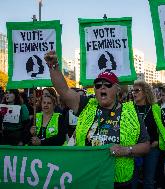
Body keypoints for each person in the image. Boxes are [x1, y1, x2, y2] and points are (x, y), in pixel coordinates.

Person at [44, 50, 150, 189]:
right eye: (98, 85)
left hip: (118, 183)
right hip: (88, 178)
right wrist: (53, 67)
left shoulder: (131, 112)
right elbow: (63, 90)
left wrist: (126, 150)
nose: (102, 88)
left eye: (107, 84)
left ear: (117, 89)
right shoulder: (87, 105)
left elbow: (146, 146)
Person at [132, 80, 165, 189]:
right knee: (132, 179)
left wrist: (157, 142)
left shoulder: (155, 108)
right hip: (134, 149)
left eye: (137, 90)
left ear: (145, 92)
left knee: (149, 180)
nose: (134, 93)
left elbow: (161, 128)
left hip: (152, 148)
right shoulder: (129, 109)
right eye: (133, 91)